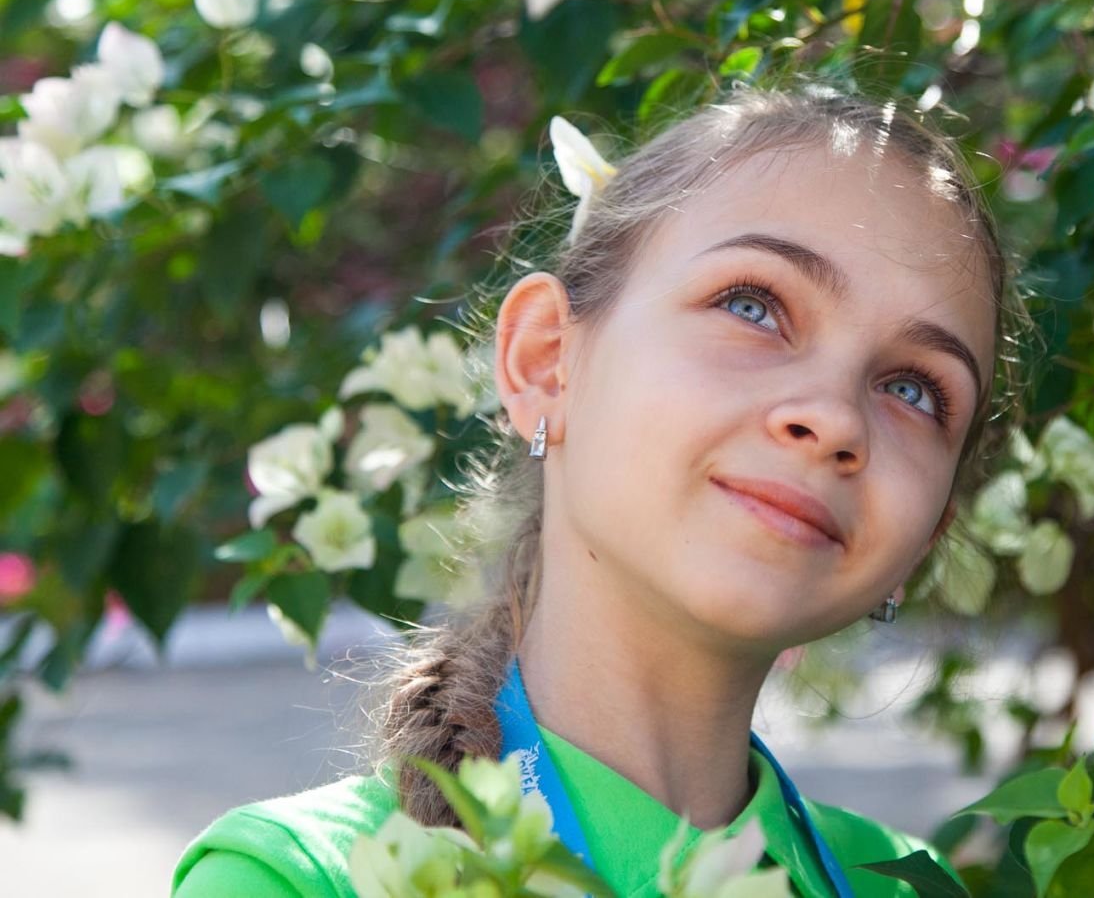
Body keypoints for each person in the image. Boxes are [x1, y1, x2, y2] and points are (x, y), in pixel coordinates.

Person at [170, 83, 1034, 897]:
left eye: (915, 389)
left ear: (928, 532)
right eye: (753, 306)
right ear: (546, 361)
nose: (836, 417)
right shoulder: (294, 878)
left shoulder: (904, 883)